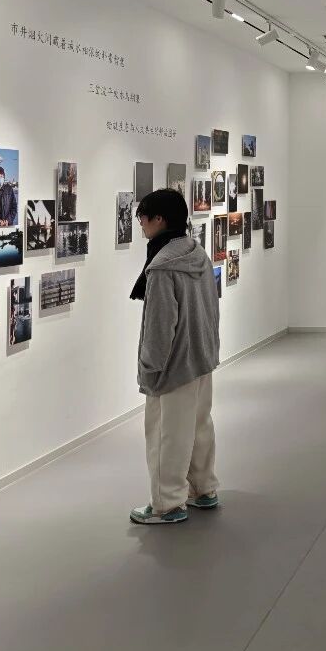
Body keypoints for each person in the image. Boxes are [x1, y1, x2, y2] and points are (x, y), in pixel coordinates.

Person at [128, 188, 220, 525]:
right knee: (198, 426)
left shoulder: (162, 266)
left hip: (173, 366)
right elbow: (211, 306)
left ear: (159, 219)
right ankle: (203, 489)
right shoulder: (197, 253)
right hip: (201, 358)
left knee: (166, 435)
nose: (140, 223)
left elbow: (160, 325)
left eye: (143, 217)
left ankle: (167, 504)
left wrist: (150, 367)